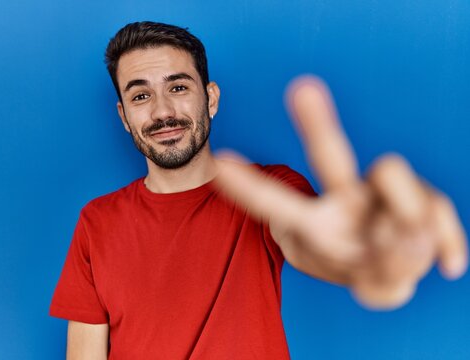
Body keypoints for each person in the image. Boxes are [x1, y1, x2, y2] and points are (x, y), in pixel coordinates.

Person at [50, 21, 468, 359]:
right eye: (141, 95)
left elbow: (306, 240)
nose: (162, 111)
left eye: (178, 87)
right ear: (124, 116)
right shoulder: (97, 221)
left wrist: (363, 255)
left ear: (210, 99)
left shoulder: (275, 191)